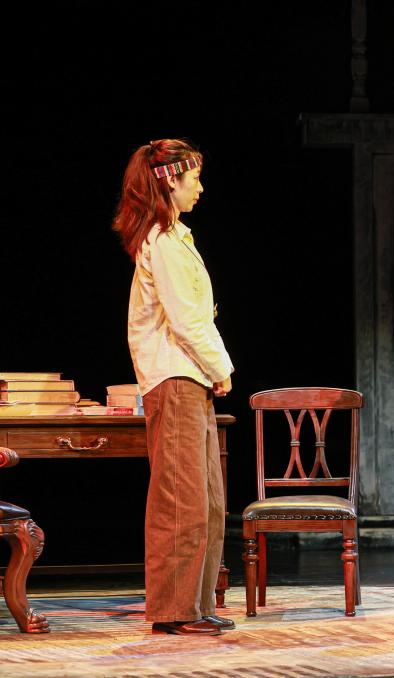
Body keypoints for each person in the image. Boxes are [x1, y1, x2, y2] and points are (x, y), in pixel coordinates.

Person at [113, 139, 235, 635]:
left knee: (207, 500)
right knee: (182, 499)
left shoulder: (178, 237)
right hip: (176, 375)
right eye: (194, 178)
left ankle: (197, 604)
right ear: (170, 182)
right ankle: (175, 610)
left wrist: (213, 369)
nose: (200, 187)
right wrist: (221, 367)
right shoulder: (162, 241)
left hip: (192, 375)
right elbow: (186, 320)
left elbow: (198, 315)